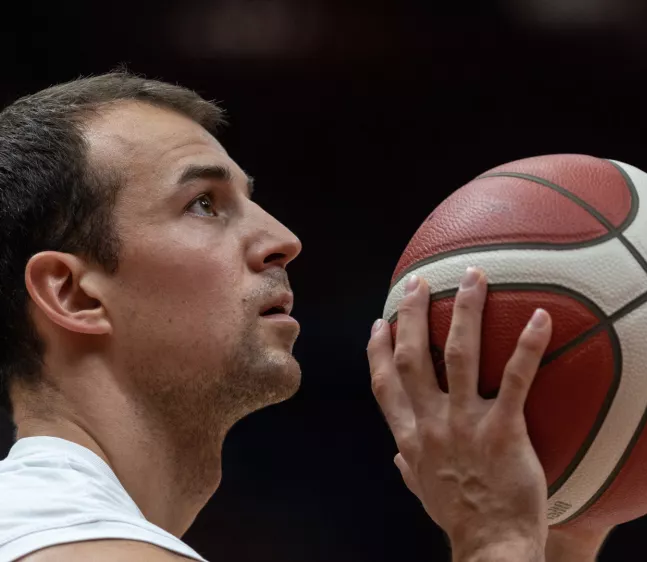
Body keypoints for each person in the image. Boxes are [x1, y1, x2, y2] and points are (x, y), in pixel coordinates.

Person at [0, 72, 612, 561]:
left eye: (251, 199)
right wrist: (496, 538)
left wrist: (554, 539)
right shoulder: (68, 544)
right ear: (73, 295)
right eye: (204, 204)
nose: (284, 240)